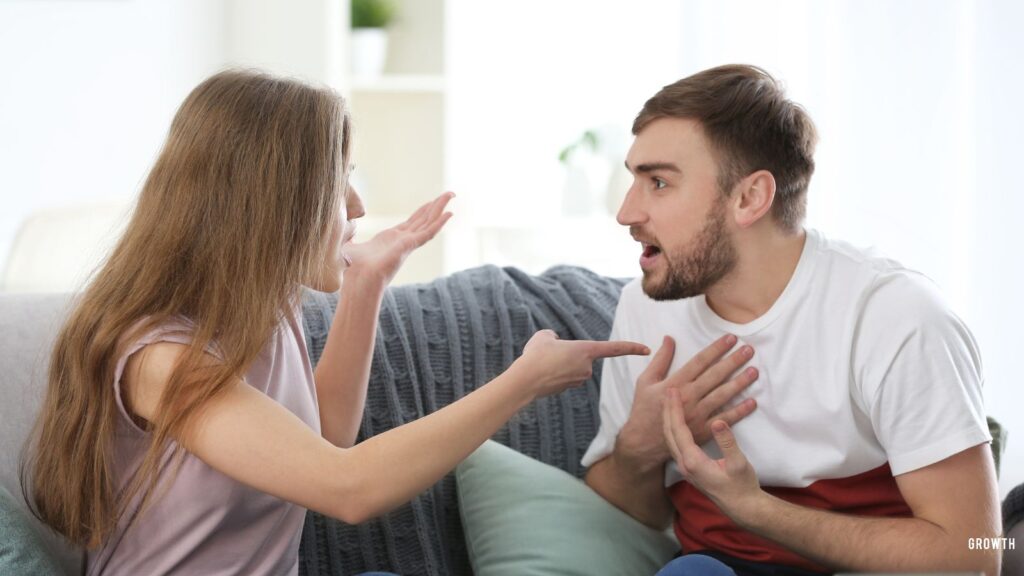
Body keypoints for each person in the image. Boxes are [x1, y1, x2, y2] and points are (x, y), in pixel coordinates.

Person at [23, 70, 653, 576]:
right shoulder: (160, 360)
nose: (356, 205)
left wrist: (365, 285)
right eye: (339, 179)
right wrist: (522, 382)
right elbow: (347, 488)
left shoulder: (267, 308)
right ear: (273, 203)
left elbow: (323, 439)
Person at [582, 64, 1002, 575]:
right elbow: (636, 514)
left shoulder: (894, 316)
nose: (626, 212)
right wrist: (640, 447)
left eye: (659, 182)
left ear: (750, 198)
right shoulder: (645, 307)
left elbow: (975, 555)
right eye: (634, 179)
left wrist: (756, 509)